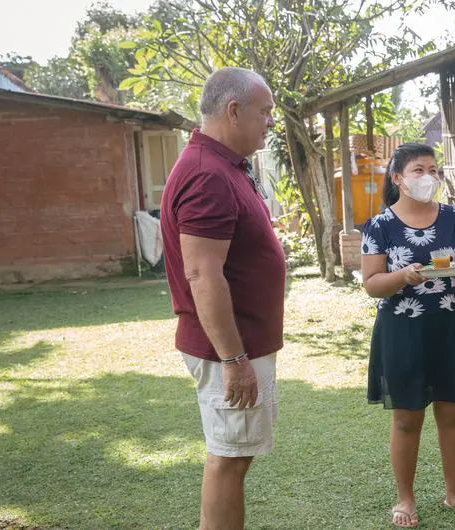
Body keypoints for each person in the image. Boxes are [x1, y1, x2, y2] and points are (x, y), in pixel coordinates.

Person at [160, 67, 283, 530]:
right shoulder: (207, 174)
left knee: (235, 455)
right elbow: (202, 273)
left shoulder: (224, 165)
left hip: (241, 344)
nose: (270, 120)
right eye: (264, 111)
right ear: (233, 111)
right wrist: (234, 359)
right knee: (229, 459)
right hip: (229, 349)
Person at [359, 142, 455, 528]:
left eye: (433, 169)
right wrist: (403, 276)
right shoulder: (380, 226)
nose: (428, 177)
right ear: (398, 178)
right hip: (403, 329)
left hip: (450, 325)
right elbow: (371, 283)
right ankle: (405, 497)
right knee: (406, 418)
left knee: (452, 413)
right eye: (418, 170)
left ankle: (454, 493)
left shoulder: (454, 216)